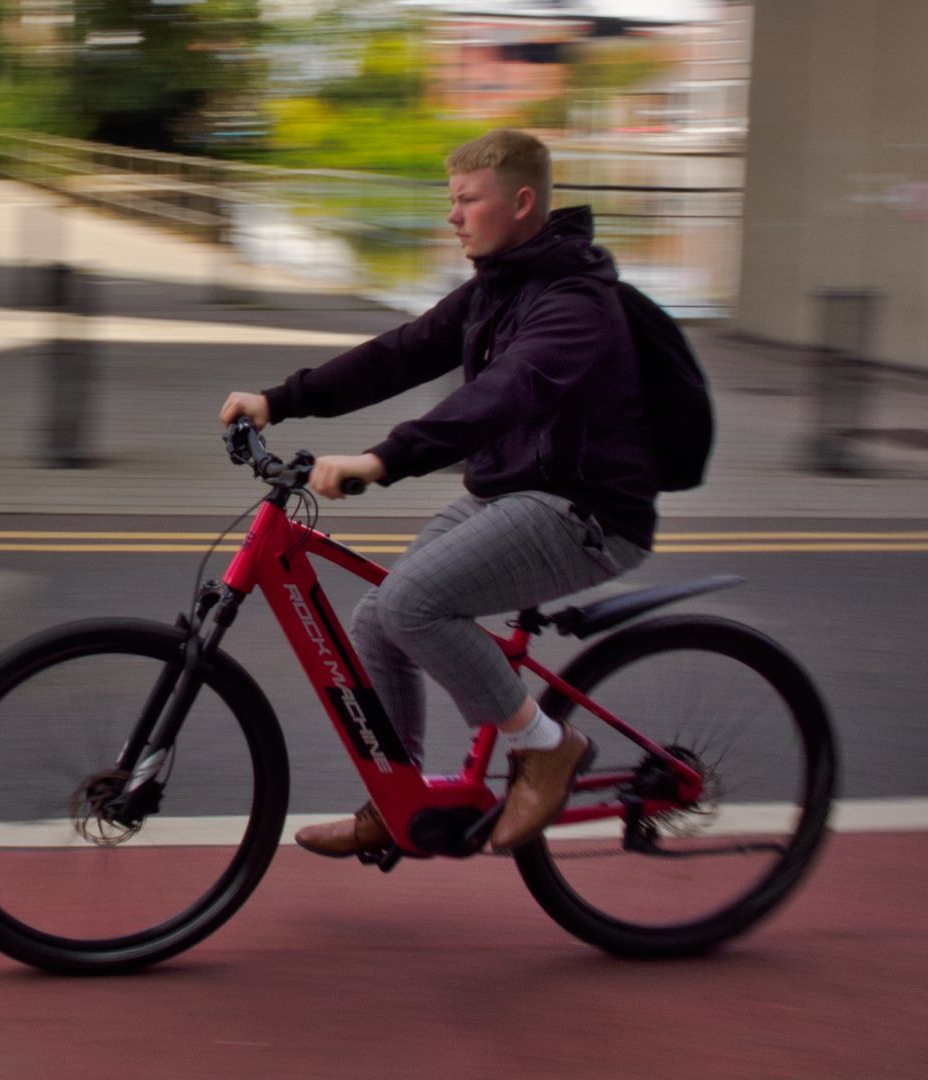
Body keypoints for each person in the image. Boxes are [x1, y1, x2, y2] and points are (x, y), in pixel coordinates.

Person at [217, 128, 659, 856]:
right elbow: (401, 353)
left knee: (413, 604)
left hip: (584, 512)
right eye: (449, 201)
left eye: (466, 200)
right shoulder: (496, 287)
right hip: (511, 494)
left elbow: (502, 394)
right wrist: (279, 400)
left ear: (521, 203)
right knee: (378, 620)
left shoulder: (575, 303)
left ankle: (546, 747)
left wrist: (383, 458)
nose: (452, 216)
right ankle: (399, 800)